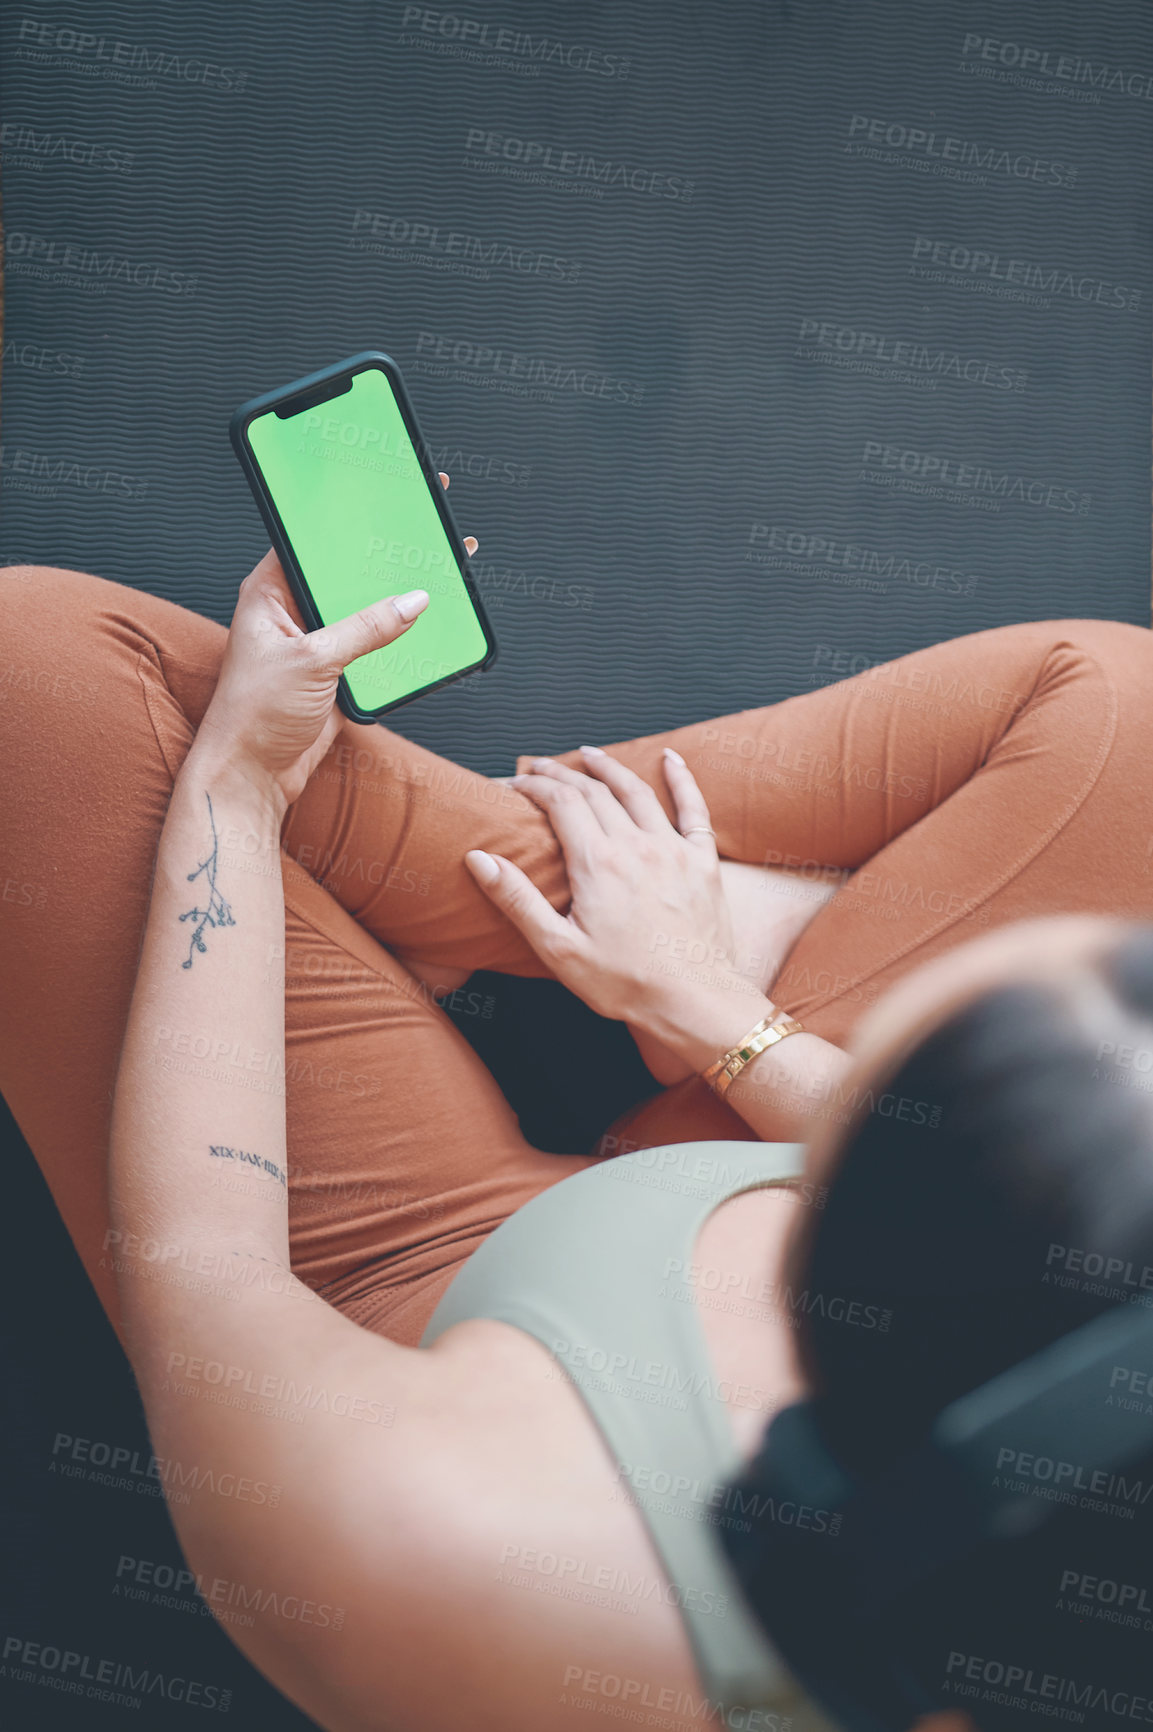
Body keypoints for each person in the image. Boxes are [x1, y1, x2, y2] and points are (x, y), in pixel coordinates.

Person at [2, 492, 1151, 1731]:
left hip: (441, 1262)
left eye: (903, 1072)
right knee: (1127, 712)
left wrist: (237, 788)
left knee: (34, 673)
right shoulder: (1042, 1311)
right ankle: (585, 910)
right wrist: (715, 1006)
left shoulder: (449, 1550)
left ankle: (628, 901)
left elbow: (205, 1261)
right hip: (739, 1136)